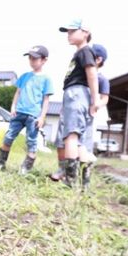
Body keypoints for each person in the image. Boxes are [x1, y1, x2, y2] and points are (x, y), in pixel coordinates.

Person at [51, 44, 109, 189]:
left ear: (98, 59)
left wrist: (95, 104)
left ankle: (77, 180)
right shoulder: (82, 76)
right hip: (73, 108)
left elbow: (104, 98)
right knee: (65, 141)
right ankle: (66, 172)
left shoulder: (100, 79)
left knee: (78, 142)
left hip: (84, 111)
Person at [0, 46, 53, 174]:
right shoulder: (24, 76)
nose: (32, 61)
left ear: (44, 60)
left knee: (31, 141)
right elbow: (18, 92)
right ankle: (1, 162)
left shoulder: (46, 79)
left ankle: (26, 167)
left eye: (35, 58)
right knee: (8, 137)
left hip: (33, 116)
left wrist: (42, 117)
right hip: (19, 113)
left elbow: (46, 100)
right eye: (30, 58)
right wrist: (13, 106)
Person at [58, 19, 99, 187]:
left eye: (72, 31)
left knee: (71, 136)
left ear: (85, 32)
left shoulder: (85, 52)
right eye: (67, 32)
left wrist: (95, 100)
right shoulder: (80, 53)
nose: (69, 35)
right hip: (76, 94)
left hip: (77, 93)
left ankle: (70, 180)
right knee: (77, 139)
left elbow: (92, 74)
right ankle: (84, 180)